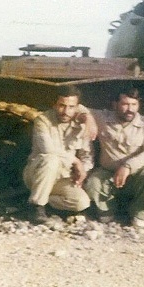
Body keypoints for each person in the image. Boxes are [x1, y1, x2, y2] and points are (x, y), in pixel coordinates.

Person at [84, 87, 144, 227]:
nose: (130, 109)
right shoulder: (102, 118)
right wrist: (88, 118)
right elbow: (78, 107)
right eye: (125, 104)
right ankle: (107, 210)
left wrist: (128, 166)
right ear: (115, 104)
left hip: (134, 174)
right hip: (108, 174)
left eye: (134, 104)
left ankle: (139, 213)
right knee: (93, 183)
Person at [23, 84, 95, 224]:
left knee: (82, 202)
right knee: (52, 160)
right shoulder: (43, 121)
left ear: (77, 107)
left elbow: (87, 155)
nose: (66, 111)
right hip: (37, 172)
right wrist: (75, 161)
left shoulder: (81, 124)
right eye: (62, 105)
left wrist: (82, 173)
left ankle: (45, 202)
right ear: (54, 105)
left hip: (63, 176)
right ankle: (36, 207)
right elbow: (48, 150)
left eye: (71, 107)